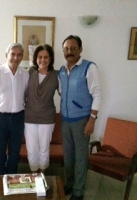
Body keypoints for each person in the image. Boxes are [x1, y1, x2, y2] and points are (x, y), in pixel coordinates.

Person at [58, 35, 101, 200]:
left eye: (73, 48)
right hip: (65, 121)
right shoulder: (62, 70)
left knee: (81, 157)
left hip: (82, 121)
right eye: (66, 49)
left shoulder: (89, 67)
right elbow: (62, 92)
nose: (70, 51)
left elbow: (97, 94)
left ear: (80, 50)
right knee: (68, 157)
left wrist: (92, 120)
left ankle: (78, 192)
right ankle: (70, 184)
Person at [0, 43, 29, 175]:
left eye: (19, 54)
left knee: (14, 154)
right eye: (12, 54)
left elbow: (26, 94)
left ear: (22, 56)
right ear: (6, 55)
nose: (16, 57)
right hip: (0, 119)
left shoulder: (25, 74)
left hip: (18, 118)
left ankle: (11, 182)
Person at [24, 44, 59, 173]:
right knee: (32, 149)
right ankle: (34, 174)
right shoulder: (29, 73)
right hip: (29, 117)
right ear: (36, 58)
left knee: (44, 149)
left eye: (46, 57)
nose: (42, 60)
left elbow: (64, 92)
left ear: (50, 59)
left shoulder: (56, 75)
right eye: (40, 57)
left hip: (47, 118)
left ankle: (42, 174)